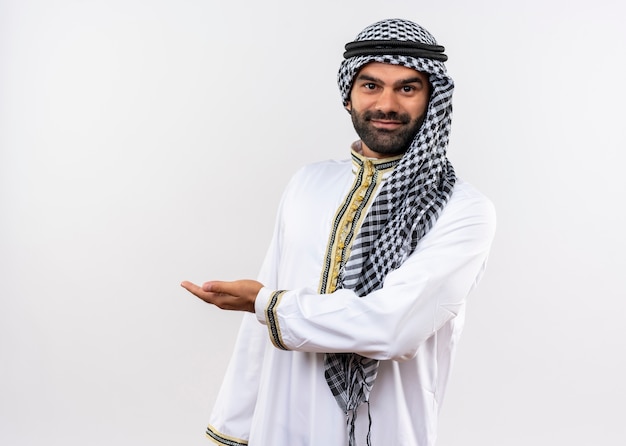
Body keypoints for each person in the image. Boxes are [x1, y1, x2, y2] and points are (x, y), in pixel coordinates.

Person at [182, 18, 496, 446]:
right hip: (280, 425)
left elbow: (393, 327)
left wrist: (268, 304)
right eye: (371, 86)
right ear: (348, 96)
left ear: (431, 99)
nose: (387, 103)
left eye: (407, 88)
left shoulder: (463, 210)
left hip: (385, 430)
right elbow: (258, 332)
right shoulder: (307, 184)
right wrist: (230, 431)